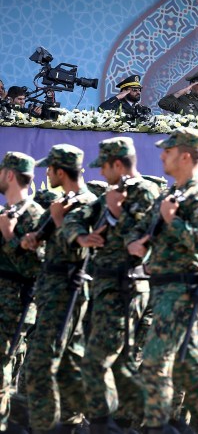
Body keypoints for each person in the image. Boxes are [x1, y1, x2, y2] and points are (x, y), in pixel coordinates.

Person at [126, 127, 198, 434]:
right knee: (187, 368)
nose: (162, 156)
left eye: (168, 151)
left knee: (154, 363)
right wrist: (138, 245)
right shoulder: (171, 196)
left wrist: (173, 220)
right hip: (163, 290)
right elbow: (146, 234)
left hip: (184, 291)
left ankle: (158, 427)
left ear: (185, 156)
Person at [64, 137, 159, 433]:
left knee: (98, 361)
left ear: (118, 164)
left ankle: (112, 424)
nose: (101, 174)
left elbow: (142, 236)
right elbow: (78, 217)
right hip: (102, 288)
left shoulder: (145, 191)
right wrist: (81, 236)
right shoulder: (110, 194)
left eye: (104, 167)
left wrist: (117, 214)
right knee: (116, 366)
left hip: (125, 287)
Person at [21, 144, 97, 433]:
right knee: (60, 363)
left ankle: (53, 424)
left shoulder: (87, 203)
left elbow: (83, 244)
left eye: (50, 169)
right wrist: (32, 239)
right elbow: (37, 238)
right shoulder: (61, 202)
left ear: (60, 171)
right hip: (50, 291)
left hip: (67, 291)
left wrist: (58, 220)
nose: (47, 174)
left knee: (47, 361)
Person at [0, 152, 43, 434]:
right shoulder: (5, 213)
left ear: (10, 175)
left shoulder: (34, 216)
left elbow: (36, 267)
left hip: (13, 307)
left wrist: (9, 237)